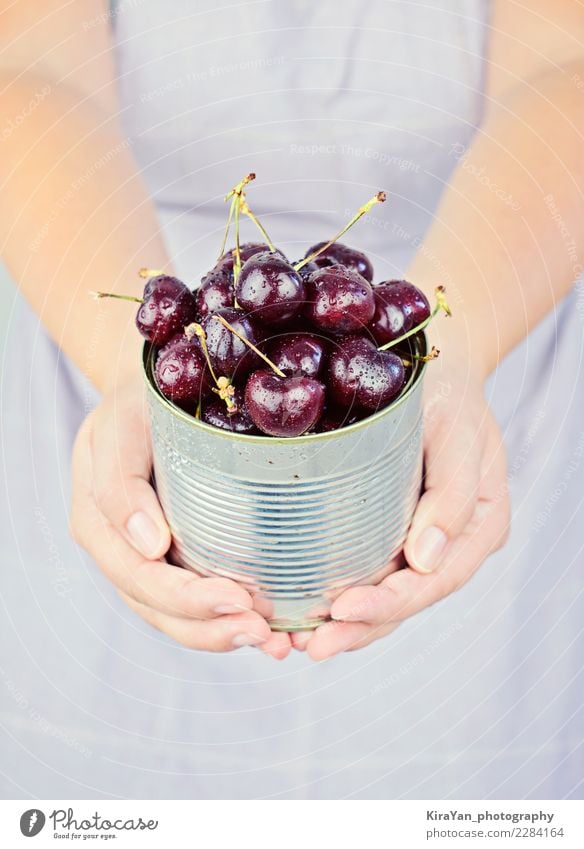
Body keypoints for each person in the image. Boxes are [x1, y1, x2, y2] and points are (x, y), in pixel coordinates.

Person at [1, 0, 582, 798]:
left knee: (448, 767)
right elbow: (30, 60)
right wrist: (135, 372)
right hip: (121, 308)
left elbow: (565, 58)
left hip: (476, 296)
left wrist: (456, 351)